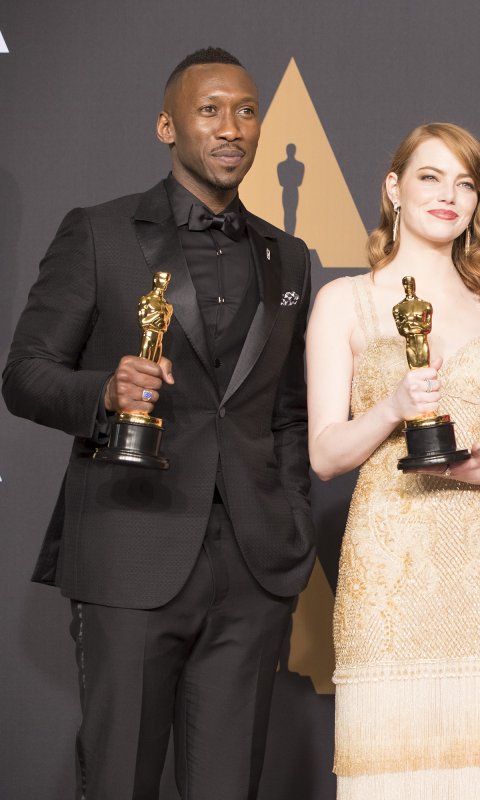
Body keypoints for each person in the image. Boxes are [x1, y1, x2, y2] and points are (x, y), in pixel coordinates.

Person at [2, 47, 314, 799]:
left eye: (246, 111)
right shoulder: (99, 233)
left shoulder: (289, 258)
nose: (231, 127)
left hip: (252, 566)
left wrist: (292, 524)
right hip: (129, 551)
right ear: (167, 126)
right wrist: (105, 393)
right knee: (120, 781)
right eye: (209, 111)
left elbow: (288, 411)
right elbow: (25, 375)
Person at [306, 122, 480, 798]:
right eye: (431, 177)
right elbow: (325, 454)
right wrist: (392, 406)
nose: (449, 196)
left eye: (466, 184)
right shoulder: (343, 302)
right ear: (394, 187)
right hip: (388, 567)